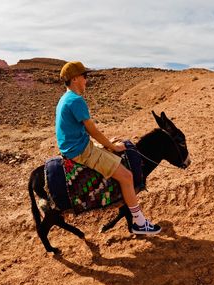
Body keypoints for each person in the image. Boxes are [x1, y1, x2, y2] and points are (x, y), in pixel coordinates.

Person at [55, 61, 161, 235]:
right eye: (84, 76)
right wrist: (112, 146)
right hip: (81, 151)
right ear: (74, 79)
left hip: (73, 146)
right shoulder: (76, 100)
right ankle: (139, 223)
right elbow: (93, 131)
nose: (86, 81)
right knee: (127, 176)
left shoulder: (64, 99)